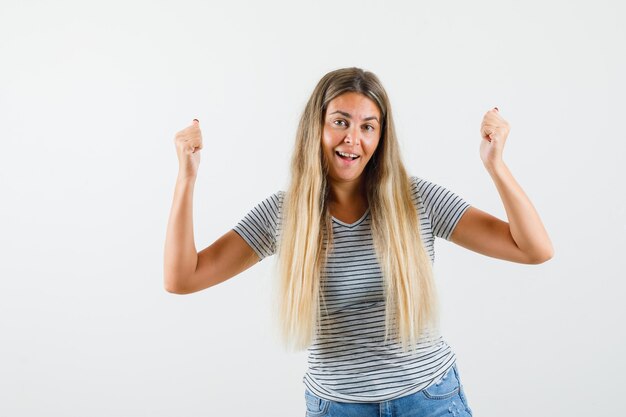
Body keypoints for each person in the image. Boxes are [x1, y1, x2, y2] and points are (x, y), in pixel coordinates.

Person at [163, 67, 553, 417]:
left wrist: (495, 165)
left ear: (381, 137)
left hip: (429, 400)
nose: (353, 138)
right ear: (315, 127)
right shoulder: (283, 214)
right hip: (337, 407)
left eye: (368, 126)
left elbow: (533, 249)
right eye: (340, 122)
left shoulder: (417, 200)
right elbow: (183, 278)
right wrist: (187, 178)